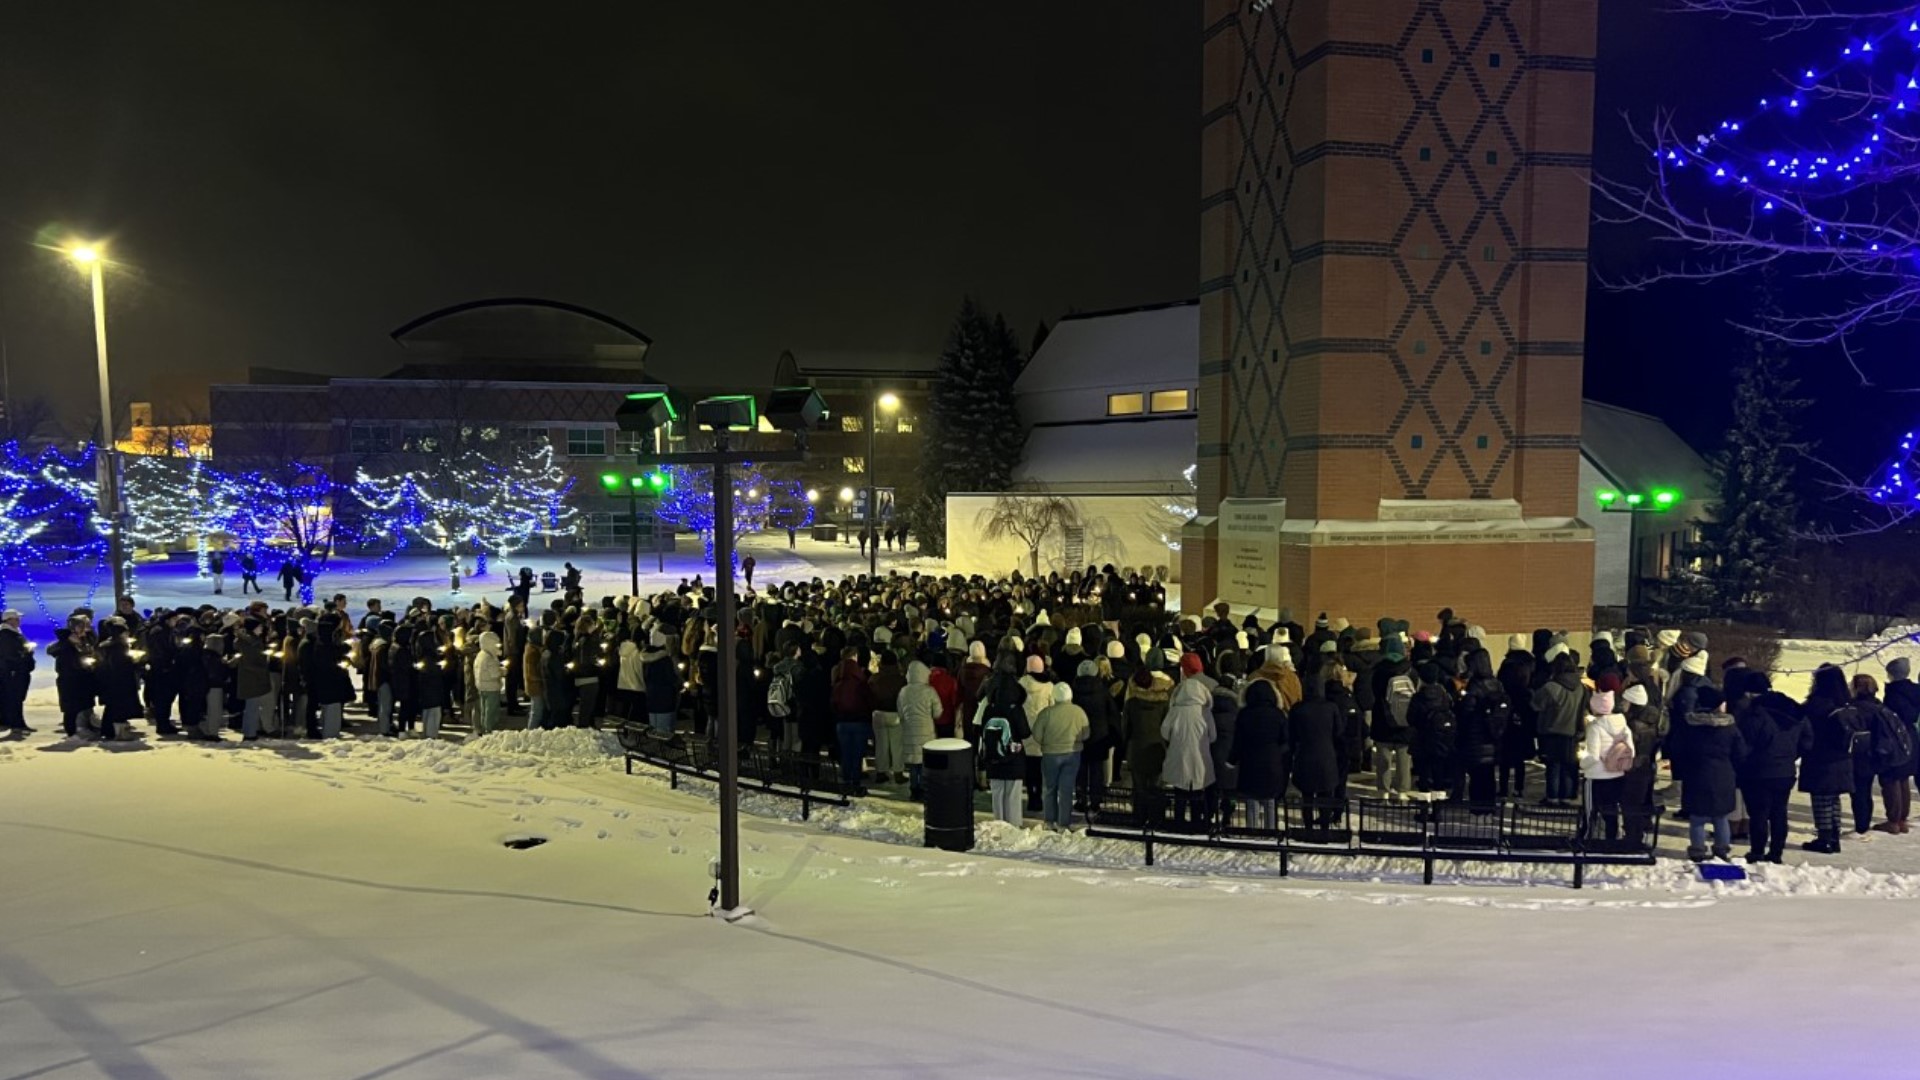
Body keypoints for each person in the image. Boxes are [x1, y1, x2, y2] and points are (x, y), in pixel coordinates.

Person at [1733, 676, 1808, 863]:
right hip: (1786, 771)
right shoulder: (1795, 713)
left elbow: (1745, 744)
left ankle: (1757, 851)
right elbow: (1807, 741)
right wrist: (1791, 756)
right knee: (1779, 812)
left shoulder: (1755, 714)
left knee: (1759, 813)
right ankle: (1776, 853)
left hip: (1758, 771)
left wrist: (1743, 764)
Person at [1673, 683, 1747, 862]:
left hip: (1696, 775)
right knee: (1721, 817)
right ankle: (1721, 850)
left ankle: (1697, 850)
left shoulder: (1690, 726)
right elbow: (1741, 753)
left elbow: (1678, 749)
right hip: (1723, 776)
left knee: (1697, 818)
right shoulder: (1730, 727)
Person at [1800, 664, 1864, 854]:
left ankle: (1824, 838)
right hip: (1844, 757)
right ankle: (1834, 837)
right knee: (1834, 799)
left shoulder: (1818, 704)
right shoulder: (1846, 702)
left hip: (1821, 758)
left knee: (1821, 799)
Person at [1854, 673, 1916, 834]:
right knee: (1901, 780)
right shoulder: (1880, 706)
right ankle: (1901, 819)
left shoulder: (1861, 708)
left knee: (1889, 783)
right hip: (1899, 747)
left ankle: (1893, 820)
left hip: (1879, 752)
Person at [1531, 645, 1587, 807]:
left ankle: (1552, 797)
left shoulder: (1551, 687)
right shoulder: (1581, 688)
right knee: (1569, 766)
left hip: (1552, 730)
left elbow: (1536, 705)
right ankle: (1567, 796)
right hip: (1572, 732)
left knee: (1553, 766)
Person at [1030, 681, 1089, 830]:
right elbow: (1086, 733)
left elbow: (1036, 734)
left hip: (1050, 755)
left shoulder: (1046, 713)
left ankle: (1049, 821)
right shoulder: (1078, 712)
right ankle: (1064, 823)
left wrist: (1046, 743)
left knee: (1050, 788)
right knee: (1066, 789)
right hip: (1072, 754)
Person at [1159, 676, 1215, 831]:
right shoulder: (1205, 712)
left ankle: (1179, 823)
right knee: (1197, 793)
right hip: (1200, 758)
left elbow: (1164, 732)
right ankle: (1197, 824)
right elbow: (1214, 736)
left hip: (1179, 758)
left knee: (1180, 794)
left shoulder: (1175, 711)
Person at [1577, 689, 1632, 840]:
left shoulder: (1595, 727)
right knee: (1611, 810)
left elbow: (1593, 756)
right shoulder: (1623, 725)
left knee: (1590, 810)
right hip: (1617, 774)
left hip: (1596, 776)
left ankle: (1586, 837)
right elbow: (1631, 750)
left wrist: (1582, 763)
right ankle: (1612, 838)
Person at [830, 647, 874, 793]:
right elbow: (869, 701)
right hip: (860, 722)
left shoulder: (838, 683)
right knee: (858, 753)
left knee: (846, 752)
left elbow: (834, 703)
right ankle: (855, 781)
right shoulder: (861, 682)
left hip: (842, 722)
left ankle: (846, 779)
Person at [898, 658, 942, 801]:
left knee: (913, 764)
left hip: (909, 731)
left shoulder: (903, 691)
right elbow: (937, 712)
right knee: (923, 762)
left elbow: (900, 713)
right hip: (926, 731)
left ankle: (913, 789)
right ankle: (923, 789)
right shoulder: (929, 691)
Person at [0, 609, 32, 735]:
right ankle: (15, 724)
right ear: (9, 620)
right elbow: (9, 655)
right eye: (16, 618)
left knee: (17, 698)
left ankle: (17, 723)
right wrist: (23, 656)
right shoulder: (6, 635)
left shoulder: (14, 633)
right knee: (14, 698)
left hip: (18, 670)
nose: (19, 621)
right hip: (13, 671)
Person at [473, 629, 504, 736]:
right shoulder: (489, 657)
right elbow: (494, 674)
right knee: (491, 710)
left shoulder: (480, 655)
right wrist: (503, 671)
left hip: (482, 686)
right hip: (491, 687)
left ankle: (483, 727)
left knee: (484, 709)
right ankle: (489, 729)